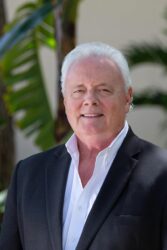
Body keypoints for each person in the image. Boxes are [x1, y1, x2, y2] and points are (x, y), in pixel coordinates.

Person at [0, 42, 167, 250]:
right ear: (65, 100)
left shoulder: (161, 172)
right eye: (78, 90)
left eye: (103, 90)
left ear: (127, 97)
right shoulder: (28, 175)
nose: (90, 100)